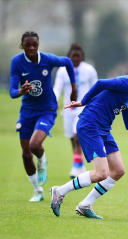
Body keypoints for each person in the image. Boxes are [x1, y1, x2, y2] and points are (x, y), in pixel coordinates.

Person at [50, 59, 128, 219]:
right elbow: (100, 83)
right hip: (90, 124)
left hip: (104, 129)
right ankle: (59, 192)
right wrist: (83, 102)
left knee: (118, 170)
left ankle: (85, 205)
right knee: (101, 173)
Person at [9, 31, 77, 202]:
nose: (31, 47)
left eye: (34, 44)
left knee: (34, 145)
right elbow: (11, 92)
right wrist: (20, 91)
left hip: (47, 109)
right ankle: (37, 191)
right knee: (25, 154)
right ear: (22, 45)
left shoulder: (47, 59)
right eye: (28, 44)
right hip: (27, 111)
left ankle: (42, 161)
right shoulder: (17, 62)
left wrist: (74, 88)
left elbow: (68, 62)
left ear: (38, 44)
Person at [54, 43, 98, 178]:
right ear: (69, 56)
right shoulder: (62, 71)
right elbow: (57, 88)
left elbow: (96, 87)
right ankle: (79, 164)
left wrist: (95, 105)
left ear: (82, 57)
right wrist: (55, 99)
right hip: (68, 109)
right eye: (73, 56)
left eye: (78, 56)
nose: (76, 58)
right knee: (72, 138)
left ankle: (75, 167)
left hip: (83, 108)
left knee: (77, 134)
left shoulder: (89, 70)